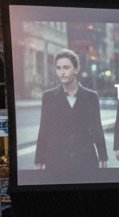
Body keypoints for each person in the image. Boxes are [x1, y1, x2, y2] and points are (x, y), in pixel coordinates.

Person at [33, 48, 108, 180]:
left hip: (85, 160)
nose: (62, 72)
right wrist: (39, 158)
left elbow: (97, 127)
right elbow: (44, 128)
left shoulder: (91, 97)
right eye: (59, 68)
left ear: (76, 69)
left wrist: (103, 156)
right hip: (56, 161)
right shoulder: (48, 97)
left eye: (66, 68)